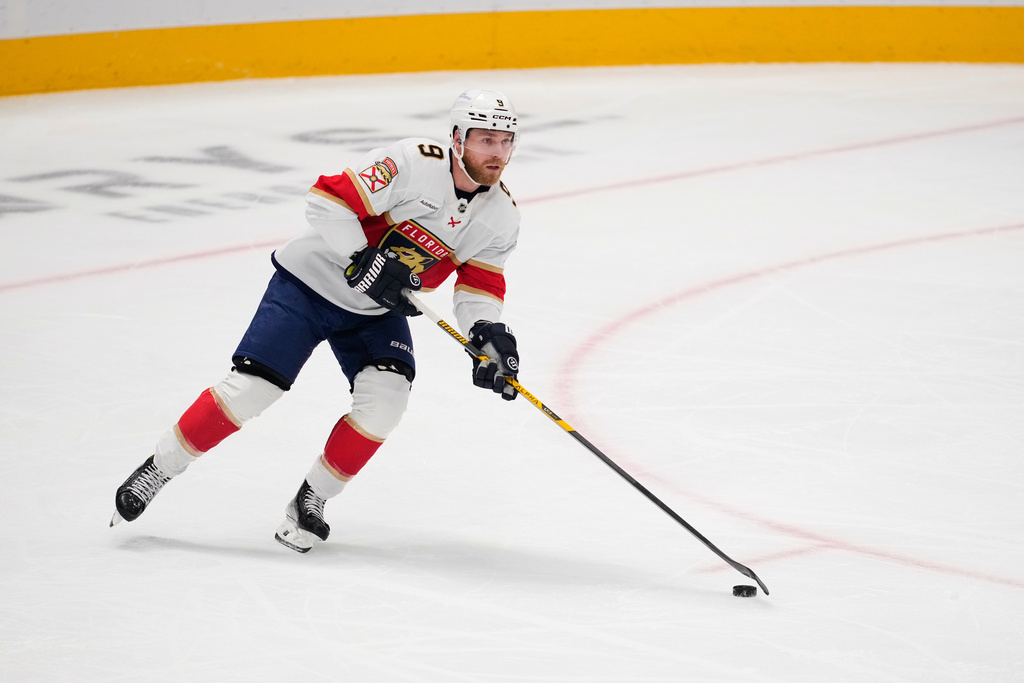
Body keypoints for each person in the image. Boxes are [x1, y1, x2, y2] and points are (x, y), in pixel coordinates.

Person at [110, 89, 523, 553]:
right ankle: (159, 468)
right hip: (308, 284)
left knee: (386, 401)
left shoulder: (501, 216)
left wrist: (487, 332)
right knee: (252, 390)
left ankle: (312, 499)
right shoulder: (410, 162)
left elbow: (479, 286)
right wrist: (359, 257)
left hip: (373, 311)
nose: (498, 153)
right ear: (456, 138)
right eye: (486, 139)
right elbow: (326, 199)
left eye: (506, 141)